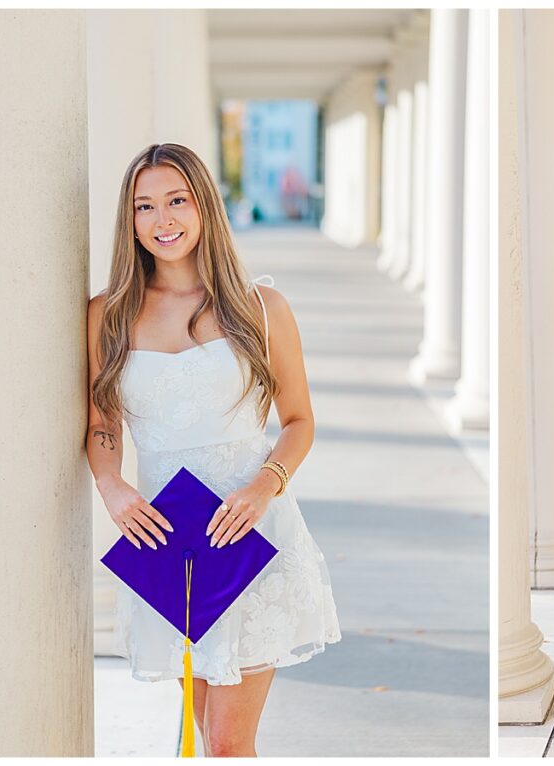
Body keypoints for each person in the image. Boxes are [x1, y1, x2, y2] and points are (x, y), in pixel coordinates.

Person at [86, 142, 341, 755]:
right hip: (167, 541)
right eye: (145, 206)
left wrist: (263, 486)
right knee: (199, 736)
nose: (163, 220)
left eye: (177, 200)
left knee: (228, 744)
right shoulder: (108, 316)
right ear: (130, 219)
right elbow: (102, 425)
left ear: (204, 206)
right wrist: (114, 488)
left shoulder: (261, 308)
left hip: (252, 535)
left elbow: (300, 419)